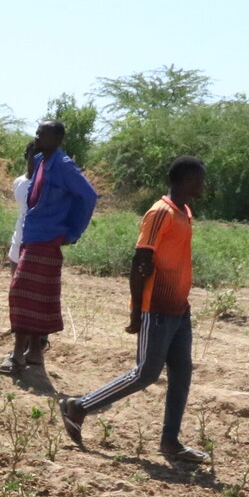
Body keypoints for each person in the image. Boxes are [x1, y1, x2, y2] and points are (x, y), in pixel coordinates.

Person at [59, 157, 209, 464]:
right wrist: (136, 311)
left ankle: (171, 442)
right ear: (184, 180)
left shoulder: (185, 212)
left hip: (179, 310)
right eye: (198, 179)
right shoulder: (160, 212)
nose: (202, 185)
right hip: (156, 308)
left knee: (181, 375)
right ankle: (79, 406)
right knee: (146, 373)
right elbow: (140, 262)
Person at [0, 121, 98, 374]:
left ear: (58, 138)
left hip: (46, 238)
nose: (38, 137)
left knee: (21, 293)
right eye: (38, 133)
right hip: (33, 237)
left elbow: (88, 195)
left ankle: (19, 355)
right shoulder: (42, 160)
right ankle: (35, 354)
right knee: (38, 296)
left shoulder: (63, 166)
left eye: (43, 134)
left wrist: (72, 232)